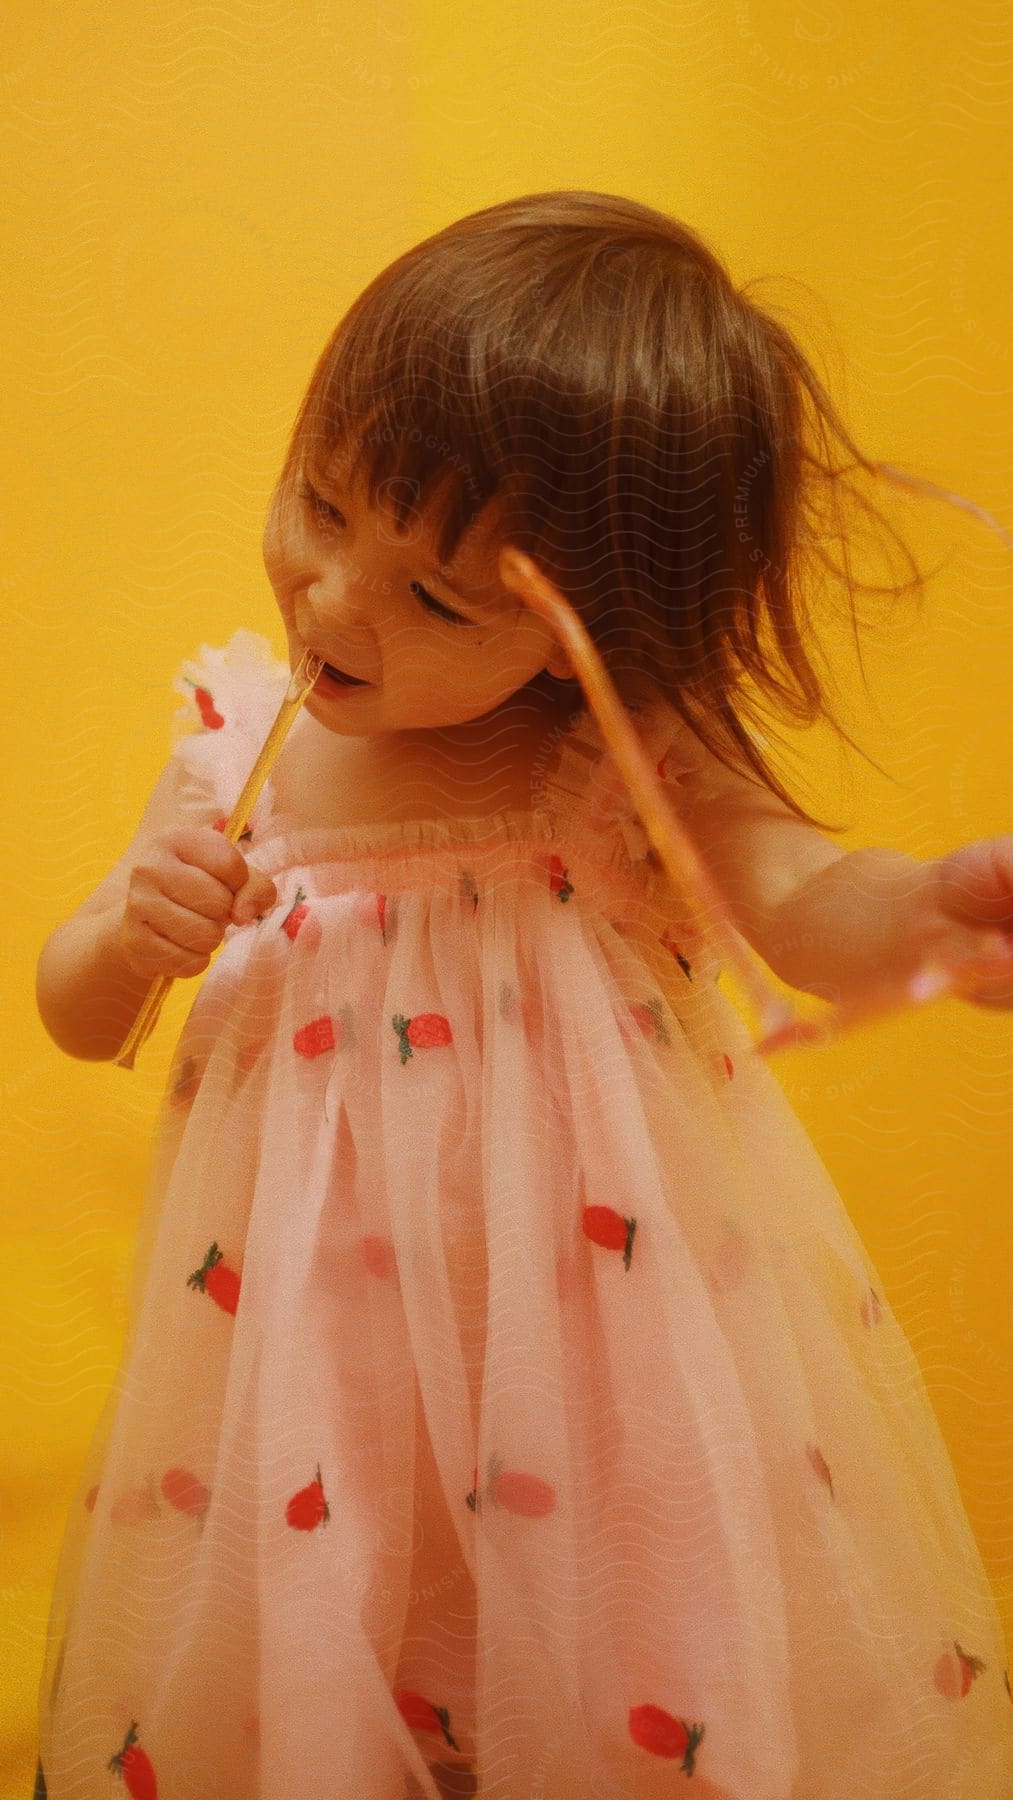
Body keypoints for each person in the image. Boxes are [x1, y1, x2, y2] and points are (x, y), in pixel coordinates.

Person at [32, 191, 1013, 1800]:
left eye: (437, 596)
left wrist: (925, 914)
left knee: (607, 1667)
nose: (336, 598)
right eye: (322, 503)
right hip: (302, 1363)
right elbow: (79, 1005)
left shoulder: (615, 760)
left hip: (584, 1358)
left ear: (575, 641)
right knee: (322, 1646)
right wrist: (137, 929)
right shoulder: (233, 747)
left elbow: (799, 902)